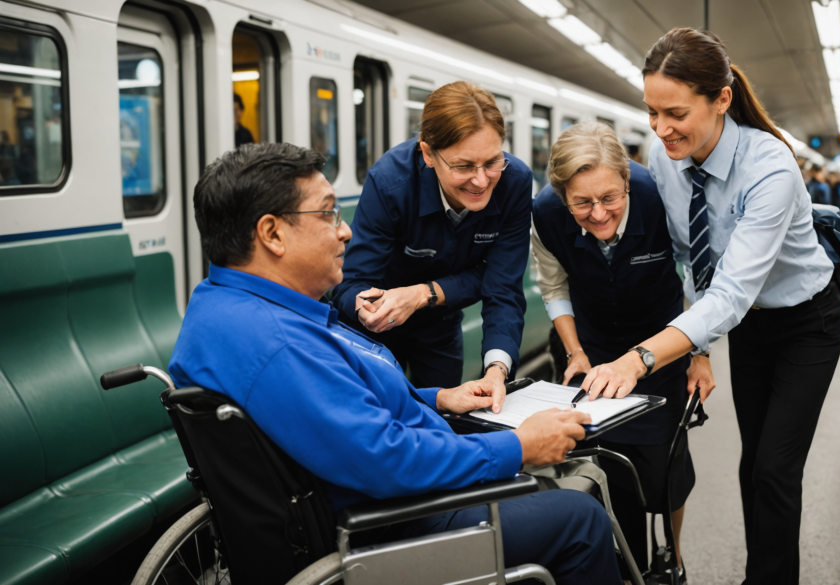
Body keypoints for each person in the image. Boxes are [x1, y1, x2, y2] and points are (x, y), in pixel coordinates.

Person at [168, 142, 619, 585]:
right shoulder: (278, 344)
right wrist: (519, 447)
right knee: (581, 517)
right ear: (272, 234)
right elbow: (386, 459)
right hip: (393, 523)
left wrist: (437, 398)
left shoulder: (223, 307)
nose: (345, 231)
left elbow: (331, 406)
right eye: (328, 213)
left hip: (369, 499)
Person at [580, 28, 840, 585]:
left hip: (806, 324)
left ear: (722, 98)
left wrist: (640, 358)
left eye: (675, 113)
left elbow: (731, 290)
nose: (660, 129)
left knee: (775, 469)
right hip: (748, 327)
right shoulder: (666, 160)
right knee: (753, 463)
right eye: (651, 112)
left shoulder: (770, 167)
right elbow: (691, 260)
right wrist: (697, 349)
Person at [531, 121, 695, 578]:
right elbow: (554, 285)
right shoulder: (546, 213)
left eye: (610, 198)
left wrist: (699, 354)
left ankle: (673, 558)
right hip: (596, 347)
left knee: (665, 470)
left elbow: (697, 275)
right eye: (582, 203)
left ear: (627, 180)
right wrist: (575, 351)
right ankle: (627, 564)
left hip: (662, 345)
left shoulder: (659, 196)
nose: (599, 214)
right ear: (562, 194)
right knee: (606, 463)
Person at [334, 81, 533, 408]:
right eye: (463, 166)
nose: (481, 180)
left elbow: (502, 286)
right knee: (380, 411)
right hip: (376, 327)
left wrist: (496, 370)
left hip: (440, 323)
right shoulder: (389, 182)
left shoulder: (515, 182)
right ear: (427, 154)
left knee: (444, 418)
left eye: (492, 162)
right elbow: (350, 283)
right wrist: (366, 307)